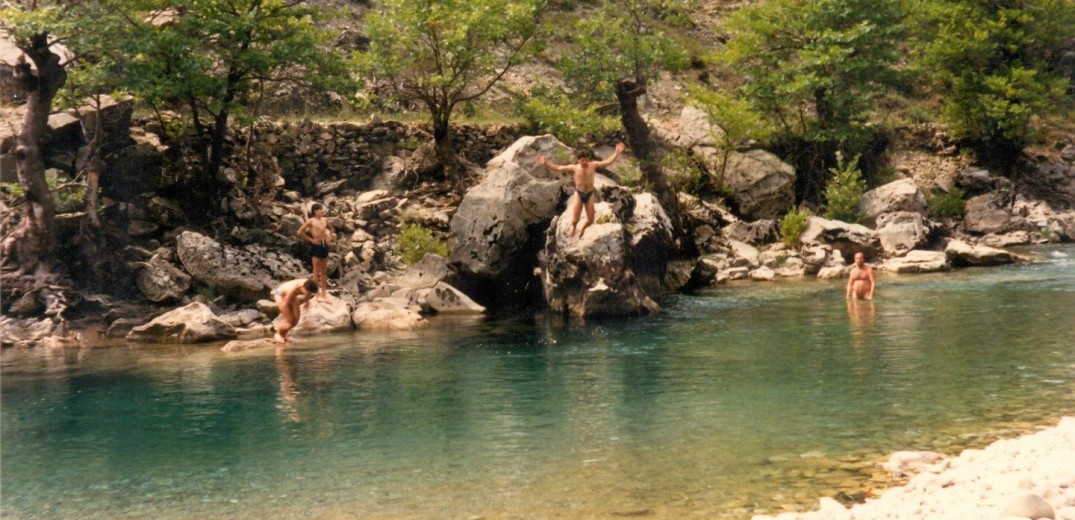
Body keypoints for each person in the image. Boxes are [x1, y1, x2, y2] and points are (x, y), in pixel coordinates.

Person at [536, 143, 626, 238]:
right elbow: (559, 168)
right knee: (575, 219)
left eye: (586, 160)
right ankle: (574, 226)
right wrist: (545, 163)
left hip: (590, 194)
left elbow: (607, 162)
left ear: (588, 159)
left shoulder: (593, 165)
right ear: (578, 160)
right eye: (582, 160)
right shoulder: (574, 168)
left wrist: (616, 153)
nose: (584, 162)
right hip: (579, 194)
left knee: (590, 220)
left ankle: (583, 228)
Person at [297, 202, 335, 301]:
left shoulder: (325, 220)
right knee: (316, 270)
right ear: (315, 211)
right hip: (316, 245)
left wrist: (330, 238)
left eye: (322, 209)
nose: (322, 211)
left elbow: (331, 229)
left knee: (324, 271)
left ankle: (324, 293)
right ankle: (316, 293)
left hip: (324, 245)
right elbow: (300, 232)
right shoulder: (311, 221)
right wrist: (311, 240)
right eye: (320, 209)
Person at [272, 278, 319, 344]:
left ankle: (283, 335)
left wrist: (307, 303)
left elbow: (308, 295)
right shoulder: (293, 288)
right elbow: (285, 303)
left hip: (292, 296)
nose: (309, 294)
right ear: (303, 288)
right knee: (290, 321)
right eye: (308, 292)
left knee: (295, 320)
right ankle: (278, 334)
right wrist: (285, 315)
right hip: (278, 293)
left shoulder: (308, 284)